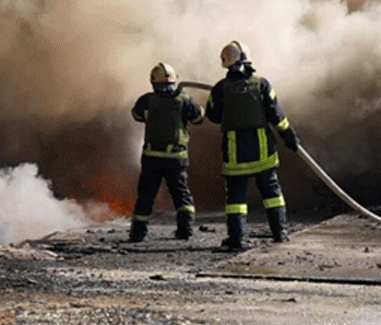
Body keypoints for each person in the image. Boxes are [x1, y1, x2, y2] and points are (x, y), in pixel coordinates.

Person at [205, 40, 299, 251]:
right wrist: (289, 137)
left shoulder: (221, 88)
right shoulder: (262, 84)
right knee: (272, 192)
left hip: (235, 150)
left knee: (236, 197)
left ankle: (236, 239)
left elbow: (212, 116)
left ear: (226, 63)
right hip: (262, 148)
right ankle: (280, 233)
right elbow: (277, 116)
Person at [128, 62, 205, 243]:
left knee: (146, 196)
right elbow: (199, 118)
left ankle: (138, 234)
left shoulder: (146, 100)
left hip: (151, 157)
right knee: (180, 194)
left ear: (154, 83)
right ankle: (185, 230)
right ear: (173, 80)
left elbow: (137, 115)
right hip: (176, 158)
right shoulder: (184, 100)